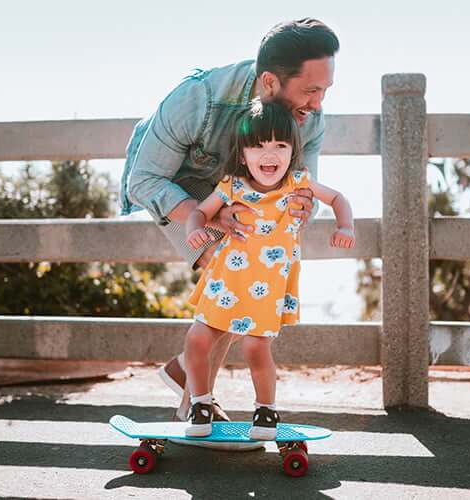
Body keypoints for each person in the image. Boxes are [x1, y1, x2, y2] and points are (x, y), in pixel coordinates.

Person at [119, 18, 340, 430]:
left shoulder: (309, 117)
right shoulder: (198, 98)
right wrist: (208, 214)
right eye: (311, 90)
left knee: (254, 272)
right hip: (177, 186)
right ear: (270, 83)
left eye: (325, 90)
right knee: (232, 270)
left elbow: (300, 191)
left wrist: (301, 206)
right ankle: (192, 405)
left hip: (242, 193)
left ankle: (186, 371)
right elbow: (143, 181)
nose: (319, 103)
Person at [183, 100, 354, 438]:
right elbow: (198, 213)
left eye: (280, 145)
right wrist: (194, 229)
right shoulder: (232, 185)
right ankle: (200, 404)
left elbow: (338, 199)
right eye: (258, 146)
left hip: (267, 285)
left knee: (255, 347)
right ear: (242, 153)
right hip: (226, 281)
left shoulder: (297, 182)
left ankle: (266, 412)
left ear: (293, 150)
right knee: (196, 340)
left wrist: (345, 226)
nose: (269, 154)